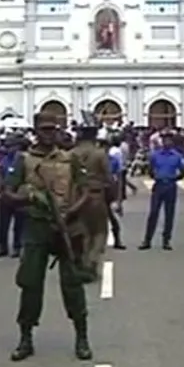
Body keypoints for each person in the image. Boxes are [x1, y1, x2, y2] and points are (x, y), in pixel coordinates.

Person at [5, 114, 91, 362]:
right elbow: (7, 193)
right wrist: (28, 199)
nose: (49, 134)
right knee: (30, 284)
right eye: (44, 129)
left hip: (66, 227)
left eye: (53, 129)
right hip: (36, 226)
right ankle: (25, 337)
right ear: (35, 131)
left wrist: (73, 211)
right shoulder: (24, 160)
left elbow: (86, 190)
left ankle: (82, 337)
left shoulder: (70, 158)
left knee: (73, 284)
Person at [72, 118, 112, 282]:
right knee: (99, 232)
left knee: (83, 231)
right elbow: (108, 177)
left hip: (77, 197)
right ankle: (92, 263)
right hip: (96, 195)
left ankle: (82, 261)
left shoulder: (72, 153)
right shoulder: (99, 153)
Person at [138, 133, 184, 251]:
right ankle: (147, 240)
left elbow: (182, 170)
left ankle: (166, 240)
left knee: (169, 214)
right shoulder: (155, 155)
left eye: (168, 140)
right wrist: (156, 177)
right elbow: (150, 169)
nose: (166, 142)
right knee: (153, 213)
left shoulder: (177, 156)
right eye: (164, 140)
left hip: (170, 185)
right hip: (158, 185)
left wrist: (174, 178)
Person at [0, 137, 25, 258]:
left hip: (18, 194)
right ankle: (3, 247)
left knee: (19, 224)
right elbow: (0, 177)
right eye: (7, 146)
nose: (9, 149)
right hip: (5, 194)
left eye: (11, 146)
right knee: (3, 223)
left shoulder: (22, 160)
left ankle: (17, 247)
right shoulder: (4, 160)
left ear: (18, 146)